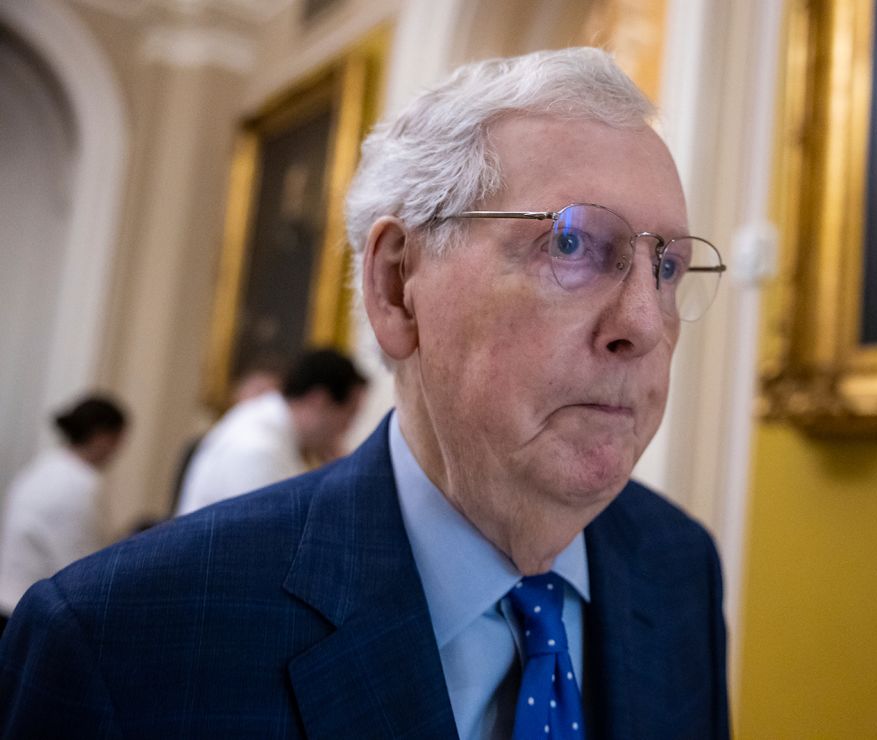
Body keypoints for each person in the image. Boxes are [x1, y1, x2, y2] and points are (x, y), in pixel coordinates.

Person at [0, 48, 730, 739]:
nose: (642, 322)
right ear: (396, 288)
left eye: (666, 268)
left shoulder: (678, 567)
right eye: (572, 244)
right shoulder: (122, 645)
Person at [174, 348, 366, 516]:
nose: (347, 428)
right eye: (349, 415)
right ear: (318, 400)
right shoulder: (260, 449)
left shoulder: (268, 424)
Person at [0, 395, 128, 632]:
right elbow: (83, 564)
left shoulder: (42, 466)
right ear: (102, 436)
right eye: (117, 442)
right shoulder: (81, 483)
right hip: (30, 610)